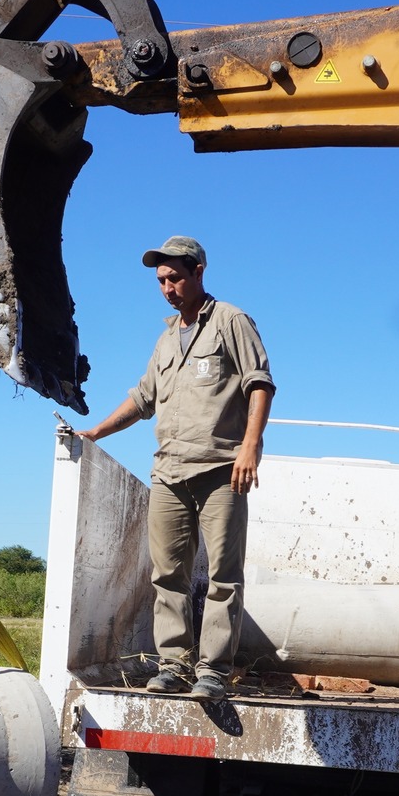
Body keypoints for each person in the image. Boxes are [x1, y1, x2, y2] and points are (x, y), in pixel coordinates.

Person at [74, 236, 275, 701]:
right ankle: (174, 665)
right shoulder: (166, 339)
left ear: (199, 271)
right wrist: (96, 432)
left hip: (222, 468)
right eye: (161, 280)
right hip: (168, 472)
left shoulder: (230, 321)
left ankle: (214, 671)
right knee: (167, 575)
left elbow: (260, 384)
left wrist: (251, 447)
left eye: (175, 277)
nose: (167, 288)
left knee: (224, 573)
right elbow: (143, 398)